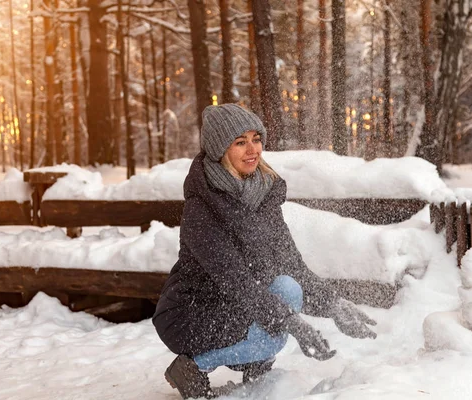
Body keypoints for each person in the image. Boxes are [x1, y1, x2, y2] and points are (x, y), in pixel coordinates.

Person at [153, 104, 377, 399]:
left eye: (256, 139)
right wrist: (290, 322)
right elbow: (236, 282)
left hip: (233, 307)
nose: (253, 150)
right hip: (190, 314)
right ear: (220, 149)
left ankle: (255, 372)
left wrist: (334, 306)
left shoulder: (262, 195)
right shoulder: (201, 209)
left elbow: (292, 266)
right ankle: (191, 366)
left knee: (288, 287)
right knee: (273, 331)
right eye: (240, 142)